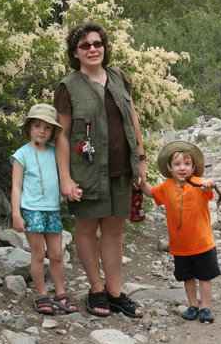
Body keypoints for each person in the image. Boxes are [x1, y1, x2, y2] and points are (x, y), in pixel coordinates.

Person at [54, 21, 146, 318]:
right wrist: (65, 179)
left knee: (114, 230)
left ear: (104, 48)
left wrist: (141, 160)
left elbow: (133, 119)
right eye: (85, 46)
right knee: (86, 229)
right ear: (75, 53)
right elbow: (62, 136)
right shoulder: (68, 87)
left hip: (121, 169)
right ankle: (96, 290)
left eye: (97, 44)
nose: (93, 49)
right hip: (86, 172)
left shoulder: (119, 77)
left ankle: (115, 292)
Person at [138, 140, 220, 323]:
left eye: (187, 164)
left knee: (205, 277)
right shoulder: (166, 187)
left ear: (193, 167)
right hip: (180, 245)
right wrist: (142, 183)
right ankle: (192, 305)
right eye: (177, 164)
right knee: (187, 277)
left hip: (202, 242)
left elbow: (209, 190)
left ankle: (205, 307)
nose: (182, 168)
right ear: (170, 168)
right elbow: (152, 193)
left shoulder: (200, 184)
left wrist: (209, 185)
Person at [10, 103, 78, 315]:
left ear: (52, 132)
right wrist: (16, 214)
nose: (41, 131)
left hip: (52, 210)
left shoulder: (54, 152)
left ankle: (60, 292)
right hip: (32, 210)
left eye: (47, 128)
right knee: (38, 254)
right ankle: (41, 294)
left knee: (57, 254)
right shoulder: (22, 155)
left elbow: (64, 174)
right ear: (29, 128)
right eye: (37, 125)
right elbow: (16, 186)